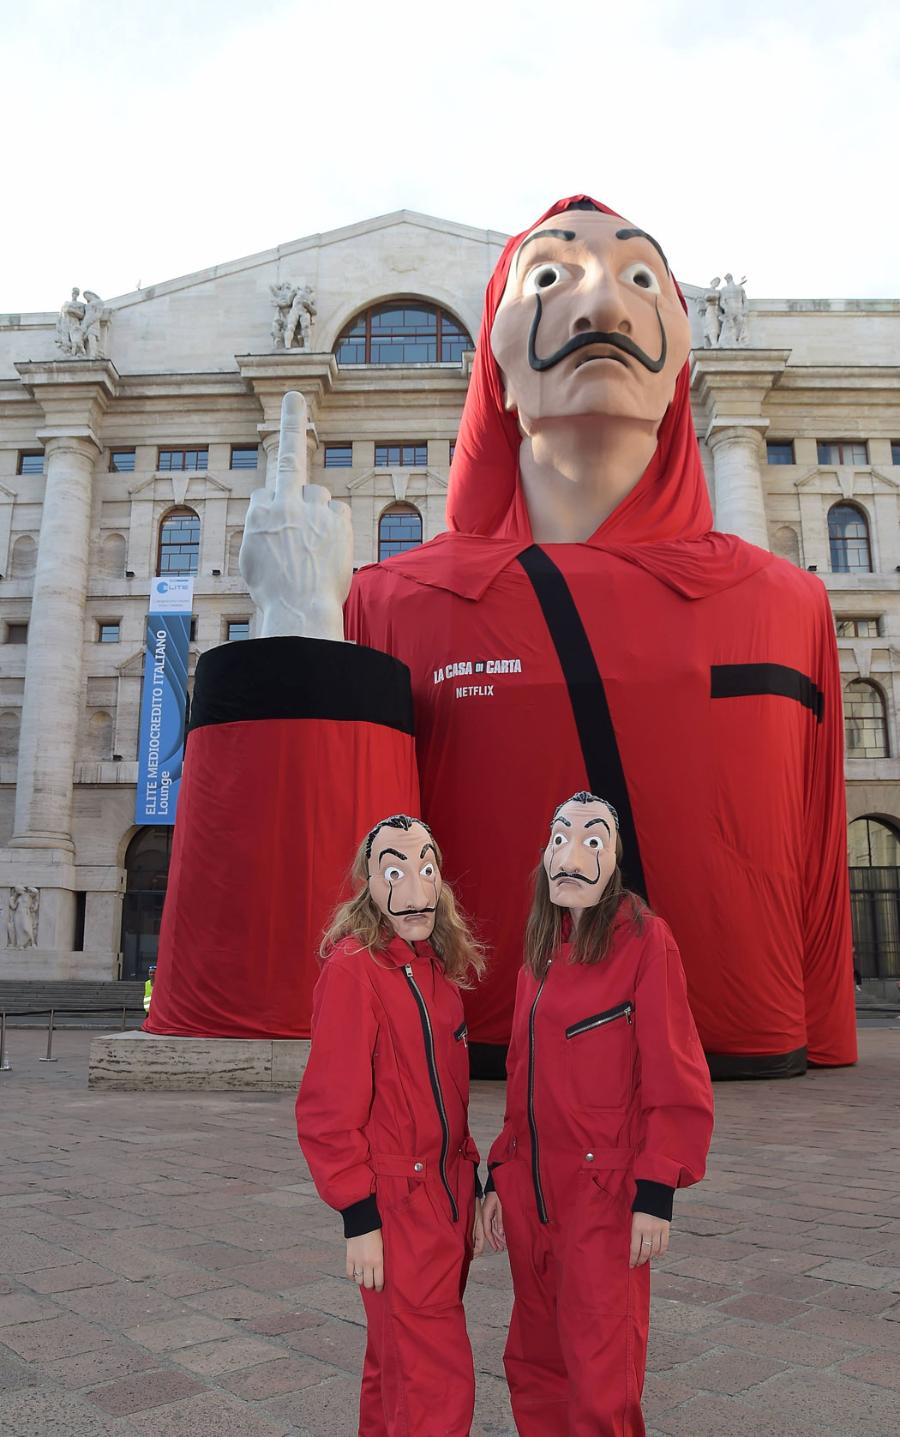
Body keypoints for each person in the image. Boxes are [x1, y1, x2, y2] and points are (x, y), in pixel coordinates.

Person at [482, 791, 713, 1437]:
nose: (571, 853)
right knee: (533, 1362)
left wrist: (656, 1190)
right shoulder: (539, 952)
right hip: (531, 1193)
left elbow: (675, 1069)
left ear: (613, 859)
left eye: (592, 838)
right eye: (560, 837)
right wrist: (499, 1172)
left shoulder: (645, 940)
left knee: (601, 1371)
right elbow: (521, 1077)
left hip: (603, 1196)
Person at [296, 814, 486, 1437]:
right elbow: (328, 1108)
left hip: (446, 1199)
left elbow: (448, 1096)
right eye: (396, 872)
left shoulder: (437, 972)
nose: (415, 889)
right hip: (398, 1204)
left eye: (426, 870)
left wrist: (474, 1185)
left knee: (396, 1366)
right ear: (370, 884)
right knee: (435, 1380)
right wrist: (359, 1218)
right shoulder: (354, 969)